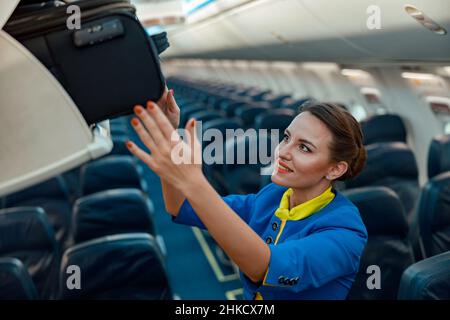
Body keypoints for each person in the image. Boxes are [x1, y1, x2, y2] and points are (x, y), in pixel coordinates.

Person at [126, 88, 368, 300]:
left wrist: (194, 181)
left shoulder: (346, 230)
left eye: (304, 148)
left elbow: (265, 267)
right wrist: (170, 136)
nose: (283, 152)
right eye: (286, 138)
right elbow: (180, 206)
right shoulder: (272, 197)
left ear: (335, 169)